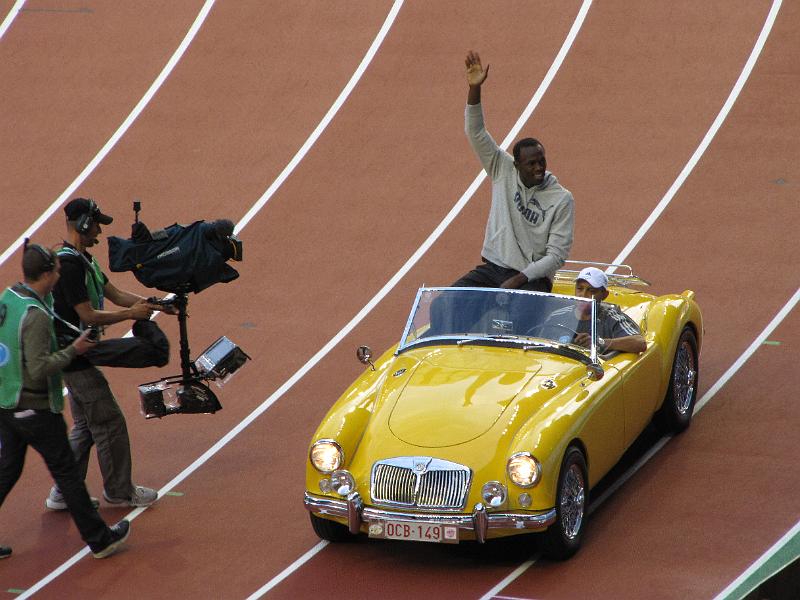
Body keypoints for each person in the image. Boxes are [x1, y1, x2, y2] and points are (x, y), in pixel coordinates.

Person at [0, 242, 130, 558]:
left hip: (6, 403)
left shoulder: (9, 298)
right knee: (68, 475)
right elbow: (41, 365)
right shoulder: (36, 316)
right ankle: (100, 540)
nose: (60, 273)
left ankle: (99, 538)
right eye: (57, 269)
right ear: (46, 273)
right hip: (35, 408)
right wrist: (74, 350)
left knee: (6, 473)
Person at [45, 198, 170, 511]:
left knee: (87, 426)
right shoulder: (70, 266)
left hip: (78, 353)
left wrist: (152, 303)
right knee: (109, 421)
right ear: (83, 224)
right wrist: (130, 315)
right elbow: (88, 315)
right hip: (75, 356)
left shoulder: (84, 259)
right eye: (97, 223)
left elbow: (113, 293)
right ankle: (119, 491)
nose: (100, 230)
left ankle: (63, 491)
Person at [454, 50, 575, 292]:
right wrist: (474, 89)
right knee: (445, 306)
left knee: (510, 322)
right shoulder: (501, 168)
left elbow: (556, 256)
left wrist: (520, 279)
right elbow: (476, 132)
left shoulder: (562, 199)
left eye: (542, 161)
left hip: (532, 279)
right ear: (516, 165)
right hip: (493, 269)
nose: (539, 167)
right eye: (531, 163)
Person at [544, 267, 646, 354]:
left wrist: (599, 342)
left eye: (591, 290)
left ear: (604, 295)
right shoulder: (557, 316)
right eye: (580, 288)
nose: (583, 295)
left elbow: (640, 343)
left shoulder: (612, 318)